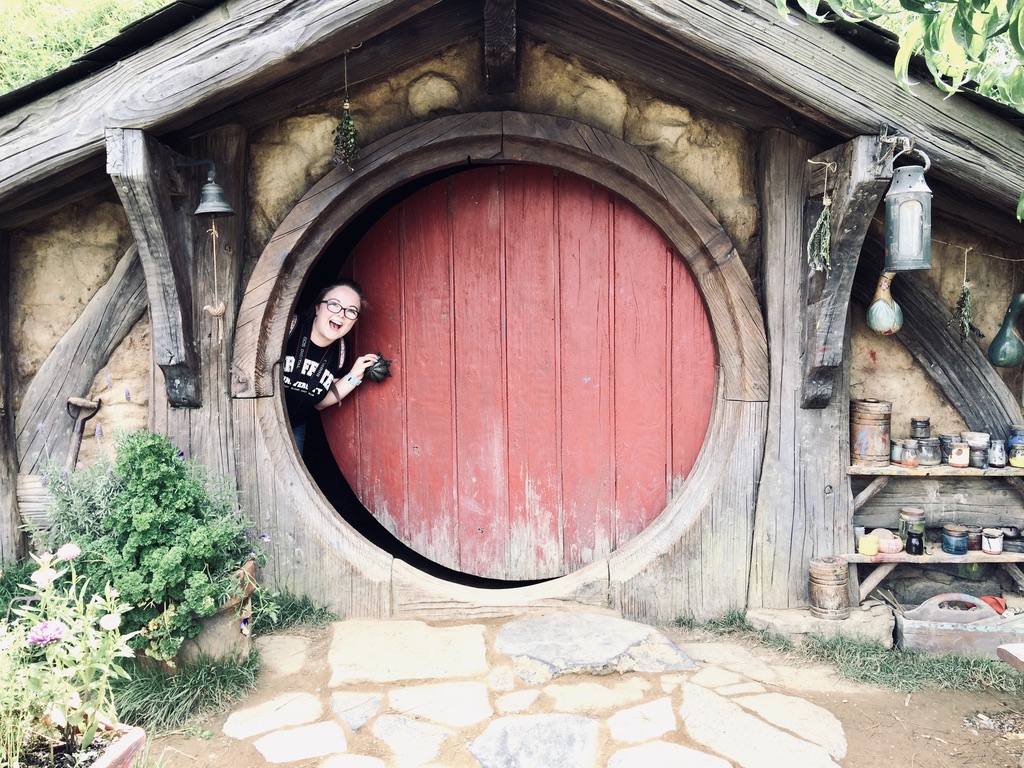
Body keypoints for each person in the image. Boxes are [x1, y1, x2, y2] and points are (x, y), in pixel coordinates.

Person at [282, 280, 379, 454]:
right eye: (334, 304)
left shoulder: (340, 353)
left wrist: (354, 376)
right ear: (318, 308)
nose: (341, 314)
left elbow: (320, 403)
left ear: (354, 322)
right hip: (255, 417)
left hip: (293, 427)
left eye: (351, 311)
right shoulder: (288, 329)